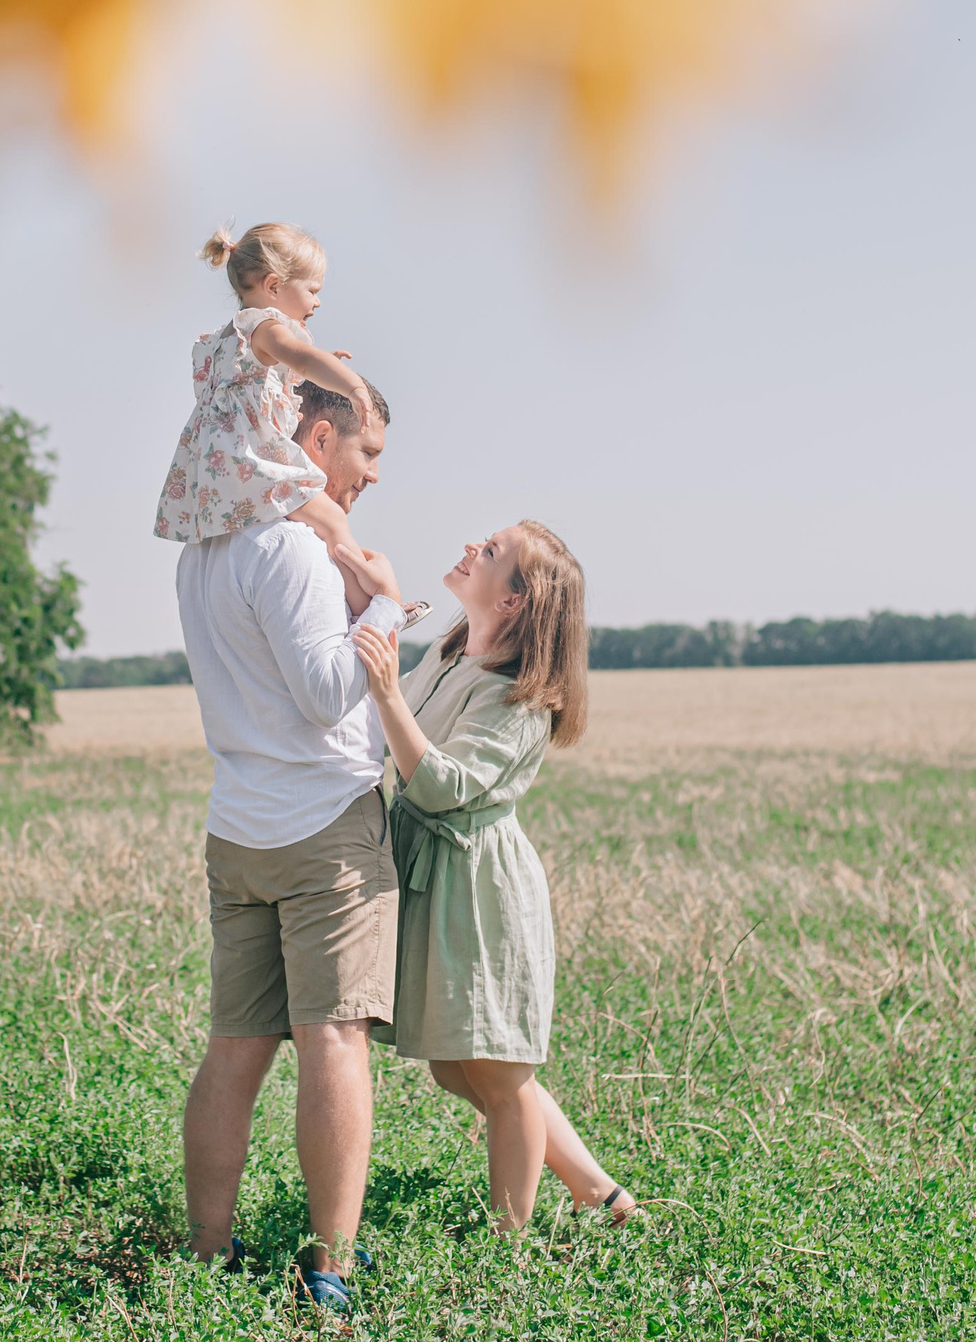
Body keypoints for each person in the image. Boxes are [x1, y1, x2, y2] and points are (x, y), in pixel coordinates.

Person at [176, 376, 409, 1313]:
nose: (371, 476)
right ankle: (329, 1272)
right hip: (324, 831)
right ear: (316, 437)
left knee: (235, 1048)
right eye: (368, 453)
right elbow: (323, 692)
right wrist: (387, 604)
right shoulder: (293, 552)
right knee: (334, 1041)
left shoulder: (202, 546)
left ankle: (206, 1250)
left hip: (237, 826)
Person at [350, 521, 639, 1232]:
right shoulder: (451, 653)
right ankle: (599, 1191)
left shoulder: (523, 697)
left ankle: (508, 1250)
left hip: (479, 889)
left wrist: (386, 693)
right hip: (433, 872)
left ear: (513, 600)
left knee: (500, 1071)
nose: (473, 545)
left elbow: (442, 783)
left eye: (493, 553)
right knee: (454, 1063)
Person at [154, 223, 409, 622]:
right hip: (254, 463)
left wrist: (319, 360)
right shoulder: (267, 328)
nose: (318, 301)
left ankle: (358, 606)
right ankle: (374, 611)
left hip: (221, 470)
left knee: (325, 524)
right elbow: (302, 359)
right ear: (274, 286)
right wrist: (352, 385)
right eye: (313, 290)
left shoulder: (229, 338)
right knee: (333, 521)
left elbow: (283, 370)